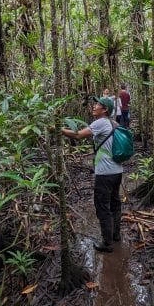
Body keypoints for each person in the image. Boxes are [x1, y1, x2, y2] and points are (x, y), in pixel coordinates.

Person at [62, 96, 122, 253]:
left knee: (102, 207)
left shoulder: (100, 122)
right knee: (115, 204)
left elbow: (78, 135)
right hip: (117, 171)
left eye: (98, 105)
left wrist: (59, 130)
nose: (94, 106)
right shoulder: (113, 123)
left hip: (105, 174)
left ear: (105, 110)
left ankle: (107, 243)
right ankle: (116, 235)